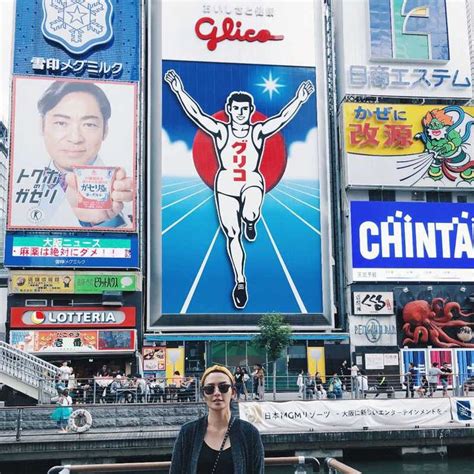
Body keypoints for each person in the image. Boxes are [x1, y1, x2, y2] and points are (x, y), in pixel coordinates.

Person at [165, 70, 314, 309]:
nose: (241, 113)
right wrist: (178, 90)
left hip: (251, 181)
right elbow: (196, 114)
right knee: (232, 235)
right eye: (237, 109)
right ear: (230, 110)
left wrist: (300, 98)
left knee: (250, 212)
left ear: (250, 111)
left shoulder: (257, 131)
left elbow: (282, 118)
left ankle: (251, 220)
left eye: (245, 109)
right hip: (225, 185)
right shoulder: (221, 131)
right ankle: (240, 281)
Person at [29, 80, 134, 228]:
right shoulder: (20, 180)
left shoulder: (125, 189)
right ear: (41, 125)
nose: (75, 138)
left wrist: (102, 222)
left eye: (89, 125)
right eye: (61, 123)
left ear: (105, 130)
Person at [170, 365, 264, 473]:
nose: (217, 393)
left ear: (233, 392)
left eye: (223, 387)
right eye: (209, 389)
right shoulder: (187, 433)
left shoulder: (250, 433)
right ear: (203, 395)